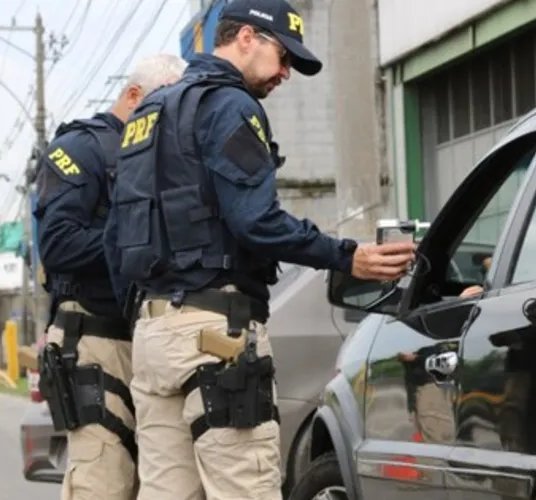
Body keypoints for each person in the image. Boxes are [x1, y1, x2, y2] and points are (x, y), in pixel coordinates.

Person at [103, 1, 416, 498]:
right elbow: (256, 221)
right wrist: (346, 256)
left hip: (153, 336)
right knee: (246, 489)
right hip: (216, 335)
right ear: (246, 37)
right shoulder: (230, 105)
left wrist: (145, 317)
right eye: (283, 56)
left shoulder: (147, 114)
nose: (285, 73)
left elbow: (115, 236)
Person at [34, 53, 187, 500]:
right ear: (134, 95)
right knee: (104, 481)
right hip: (94, 340)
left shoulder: (158, 155)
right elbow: (57, 244)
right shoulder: (82, 148)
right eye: (162, 104)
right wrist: (136, 239)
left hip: (148, 339)